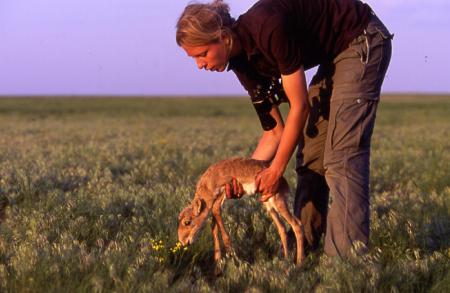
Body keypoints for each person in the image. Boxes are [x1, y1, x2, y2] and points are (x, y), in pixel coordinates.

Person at [176, 0, 392, 257]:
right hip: (333, 55)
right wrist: (244, 178)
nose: (200, 65)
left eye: (202, 54)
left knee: (341, 157)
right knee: (310, 155)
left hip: (360, 37)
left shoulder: (267, 27)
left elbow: (299, 107)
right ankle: (305, 251)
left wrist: (276, 169)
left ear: (223, 37)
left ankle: (346, 265)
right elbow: (274, 131)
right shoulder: (243, 65)